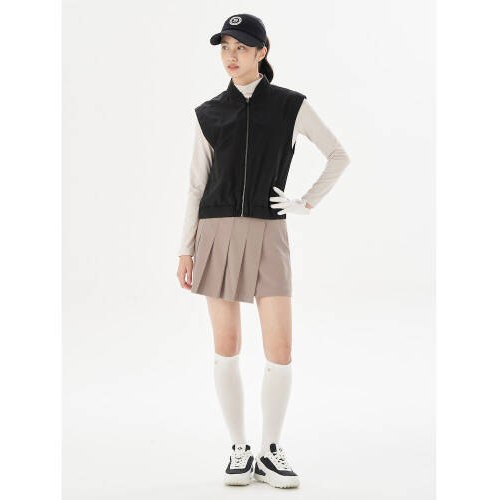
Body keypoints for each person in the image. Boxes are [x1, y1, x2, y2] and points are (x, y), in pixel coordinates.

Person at [176, 13, 351, 489]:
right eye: (224, 47)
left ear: (262, 52)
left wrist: (304, 203)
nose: (231, 56)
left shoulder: (291, 105)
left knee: (281, 349)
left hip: (270, 233)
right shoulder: (209, 113)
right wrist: (185, 249)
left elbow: (338, 155)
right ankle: (239, 449)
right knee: (227, 345)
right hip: (215, 232)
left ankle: (271, 450)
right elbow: (196, 186)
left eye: (241, 47)